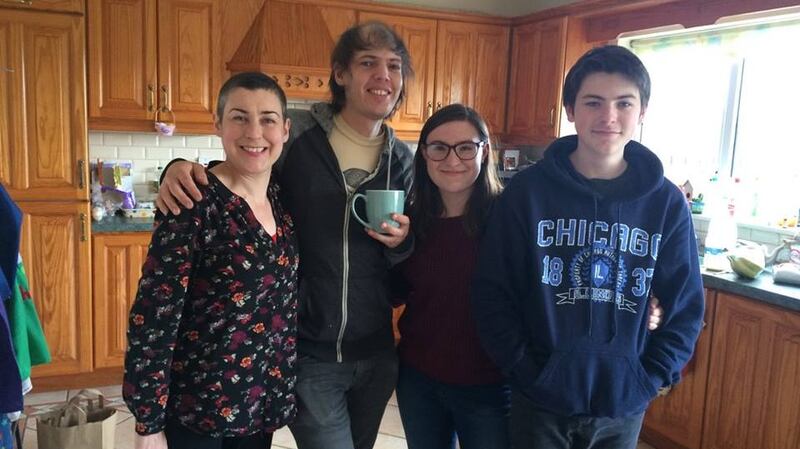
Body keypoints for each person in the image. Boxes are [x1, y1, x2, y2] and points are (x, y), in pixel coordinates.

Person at [155, 22, 415, 449]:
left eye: (393, 65)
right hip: (309, 347)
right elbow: (241, 170)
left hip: (376, 351)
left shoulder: (404, 160)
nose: (383, 76)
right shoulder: (298, 137)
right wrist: (179, 167)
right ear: (340, 74)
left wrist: (403, 245)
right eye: (368, 63)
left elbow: (412, 258)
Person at [471, 45, 704, 449]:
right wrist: (526, 371)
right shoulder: (526, 194)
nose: (608, 117)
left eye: (623, 103)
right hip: (538, 400)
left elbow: (685, 308)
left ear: (643, 111)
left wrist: (647, 380)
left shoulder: (666, 203)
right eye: (593, 102)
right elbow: (493, 292)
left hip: (624, 406)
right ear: (571, 110)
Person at [123, 72, 299, 449]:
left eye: (267, 119)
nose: (254, 132)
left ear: (284, 129)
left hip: (257, 405)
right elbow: (154, 316)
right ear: (218, 124)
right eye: (239, 117)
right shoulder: (192, 204)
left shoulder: (282, 203)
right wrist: (147, 422)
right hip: (198, 410)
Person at [390, 104, 509, 449]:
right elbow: (396, 292)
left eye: (466, 147)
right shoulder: (411, 221)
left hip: (488, 383)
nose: (452, 160)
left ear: (484, 152)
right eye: (439, 147)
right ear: (424, 154)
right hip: (419, 380)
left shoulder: (509, 218)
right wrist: (391, 251)